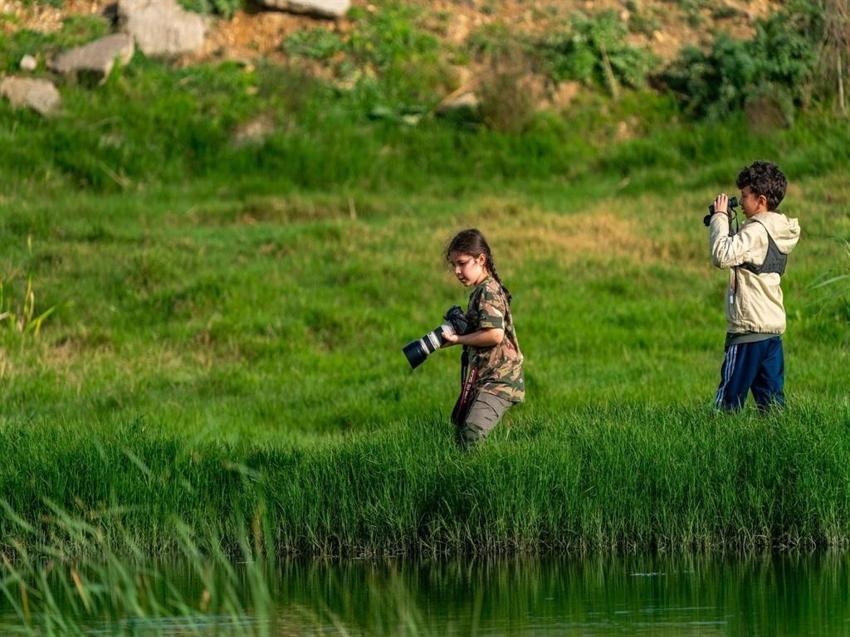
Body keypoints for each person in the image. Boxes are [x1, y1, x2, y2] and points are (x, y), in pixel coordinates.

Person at [708, 160, 801, 411]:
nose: (741, 200)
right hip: (771, 329)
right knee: (772, 404)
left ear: (760, 200)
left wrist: (719, 218)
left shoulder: (756, 232)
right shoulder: (777, 229)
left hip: (748, 329)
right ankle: (776, 443)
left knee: (728, 400)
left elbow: (722, 255)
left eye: (744, 196)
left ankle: (716, 440)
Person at [442, 229, 525, 446]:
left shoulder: (488, 290)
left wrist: (458, 340)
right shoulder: (481, 291)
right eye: (454, 266)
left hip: (500, 380)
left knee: (471, 433)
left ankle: (477, 476)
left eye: (462, 263)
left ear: (481, 259)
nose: (457, 271)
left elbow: (495, 335)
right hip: (485, 377)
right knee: (460, 432)